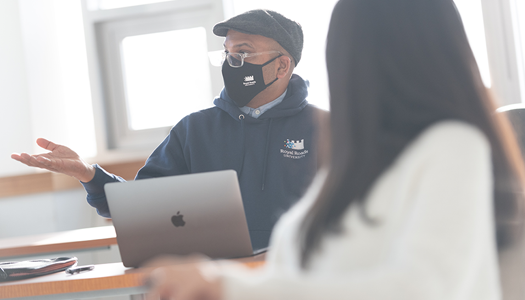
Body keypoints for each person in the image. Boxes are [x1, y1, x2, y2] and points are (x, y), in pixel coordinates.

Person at [141, 0, 525, 299]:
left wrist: (227, 285)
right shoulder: (358, 155)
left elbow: (422, 290)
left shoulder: (454, 147)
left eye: (345, 53)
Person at [10, 10, 326, 251]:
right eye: (227, 53)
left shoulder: (328, 129)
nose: (232, 62)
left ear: (282, 66)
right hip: (212, 283)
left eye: (242, 53)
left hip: (300, 281)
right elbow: (139, 207)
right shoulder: (194, 129)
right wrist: (88, 173)